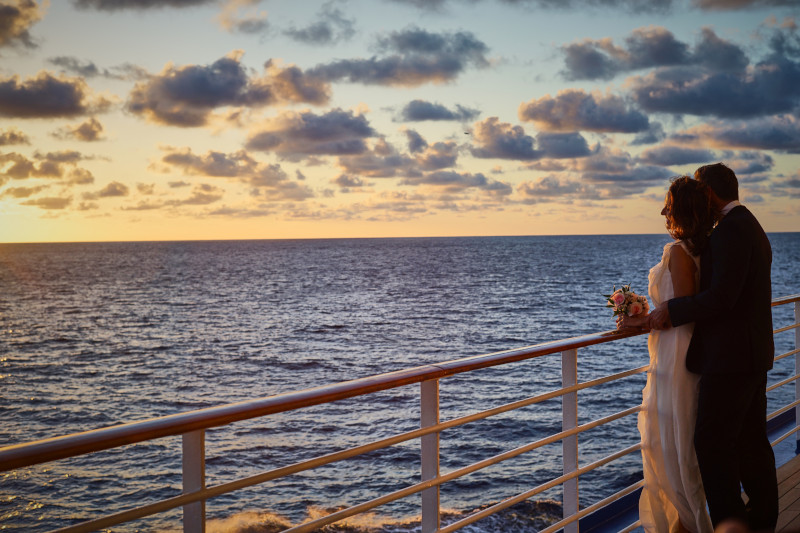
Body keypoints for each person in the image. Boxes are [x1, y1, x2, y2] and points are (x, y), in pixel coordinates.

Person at [647, 163, 778, 531]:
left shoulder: (733, 230)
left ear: (708, 193)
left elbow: (722, 297)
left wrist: (670, 309)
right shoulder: (744, 225)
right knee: (751, 445)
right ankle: (762, 522)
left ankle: (730, 524)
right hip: (747, 354)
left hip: (731, 359)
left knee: (713, 446)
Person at [619, 176, 715, 533]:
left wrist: (641, 319)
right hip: (676, 350)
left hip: (678, 354)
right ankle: (685, 521)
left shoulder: (678, 251)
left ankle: (690, 523)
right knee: (676, 437)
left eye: (669, 205)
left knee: (673, 441)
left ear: (681, 210)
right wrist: (643, 317)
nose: (663, 211)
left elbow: (681, 309)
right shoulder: (700, 247)